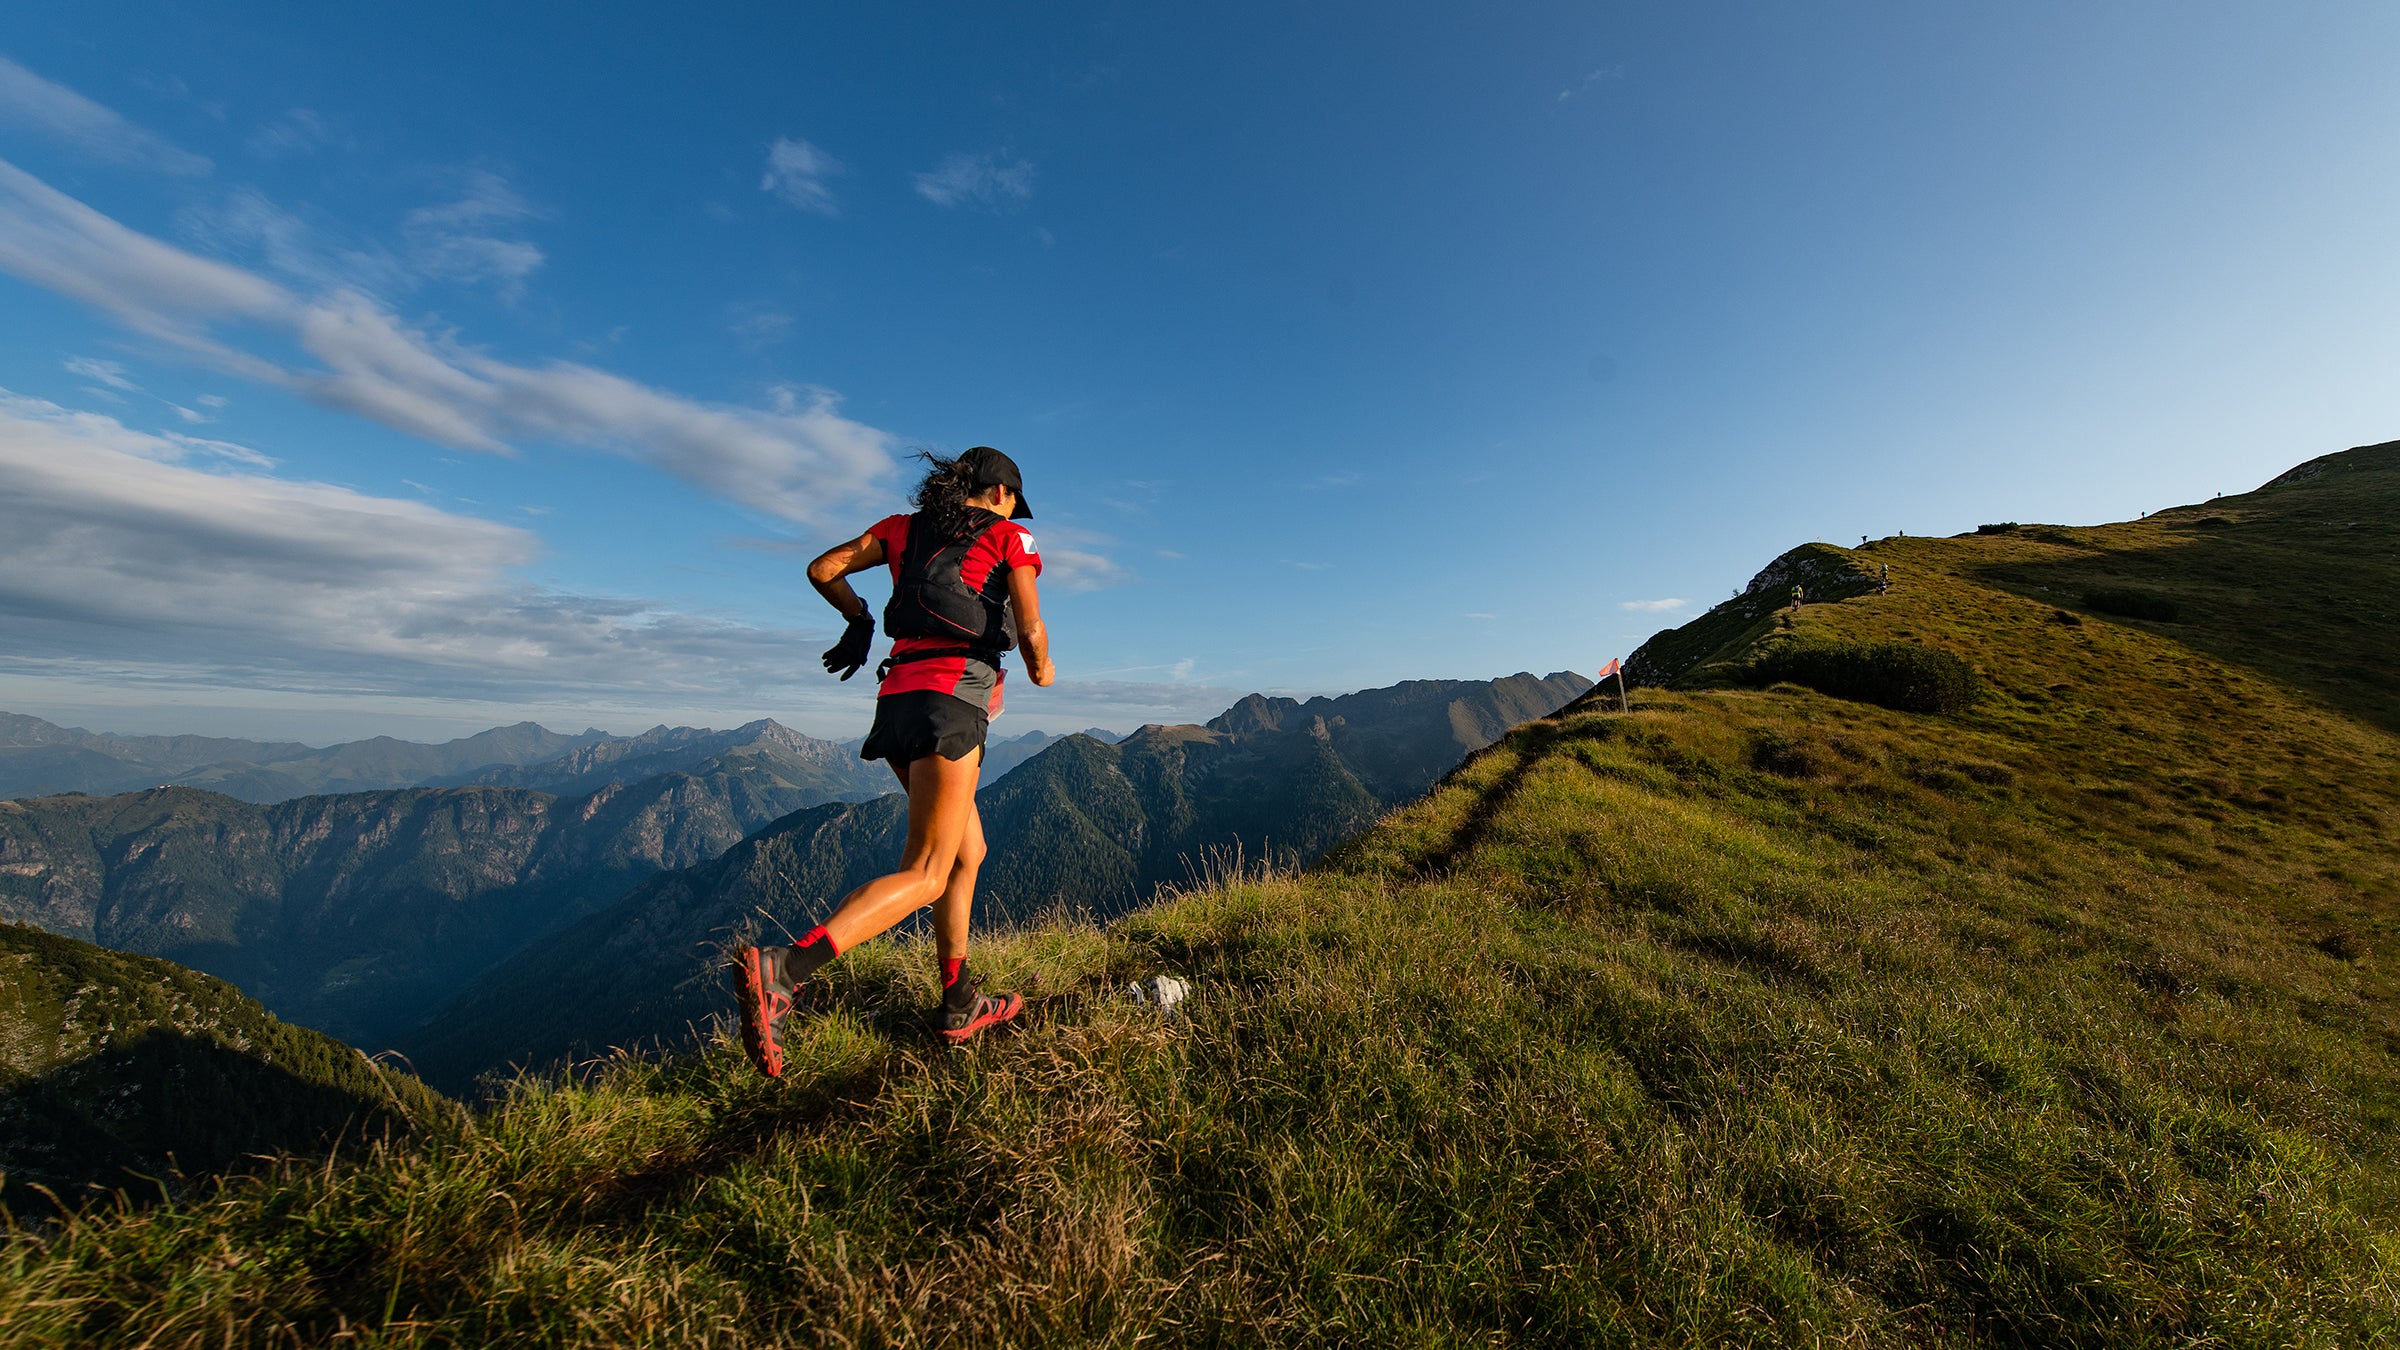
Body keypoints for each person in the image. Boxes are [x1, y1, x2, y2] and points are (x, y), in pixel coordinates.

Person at [730, 446, 1056, 1078]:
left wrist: (859, 619)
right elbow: (1032, 627)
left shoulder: (900, 529)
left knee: (968, 852)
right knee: (929, 870)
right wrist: (1041, 669)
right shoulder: (1011, 536)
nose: (1015, 508)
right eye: (1014, 498)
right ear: (999, 493)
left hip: (896, 700)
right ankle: (784, 972)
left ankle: (959, 1000)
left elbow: (823, 567)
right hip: (951, 702)